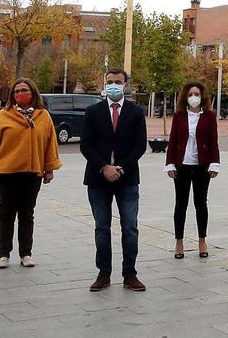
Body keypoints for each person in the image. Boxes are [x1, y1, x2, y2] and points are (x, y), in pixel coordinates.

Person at [81, 68, 147, 292]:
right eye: (109, 81)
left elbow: (139, 145)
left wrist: (120, 168)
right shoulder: (93, 111)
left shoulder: (136, 112)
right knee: (102, 227)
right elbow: (86, 145)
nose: (113, 85)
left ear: (126, 84)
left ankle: (130, 273)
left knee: (130, 226)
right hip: (98, 179)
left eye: (118, 82)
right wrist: (104, 167)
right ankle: (103, 273)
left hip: (127, 178)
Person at [0, 78, 62, 269]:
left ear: (33, 92)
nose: (20, 94)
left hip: (33, 173)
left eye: (24, 90)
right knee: (6, 214)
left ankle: (26, 253)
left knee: (27, 214)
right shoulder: (2, 117)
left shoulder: (43, 116)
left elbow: (50, 144)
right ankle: (3, 254)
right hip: (6, 173)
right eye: (16, 92)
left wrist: (49, 168)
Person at [164, 82, 220, 259]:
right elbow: (172, 141)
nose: (193, 97)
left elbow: (213, 141)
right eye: (190, 94)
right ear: (185, 97)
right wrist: (170, 163)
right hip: (182, 165)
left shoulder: (209, 116)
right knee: (180, 204)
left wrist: (214, 163)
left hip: (202, 165)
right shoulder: (179, 115)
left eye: (197, 94)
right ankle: (179, 241)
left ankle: (202, 241)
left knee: (201, 203)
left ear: (202, 96)